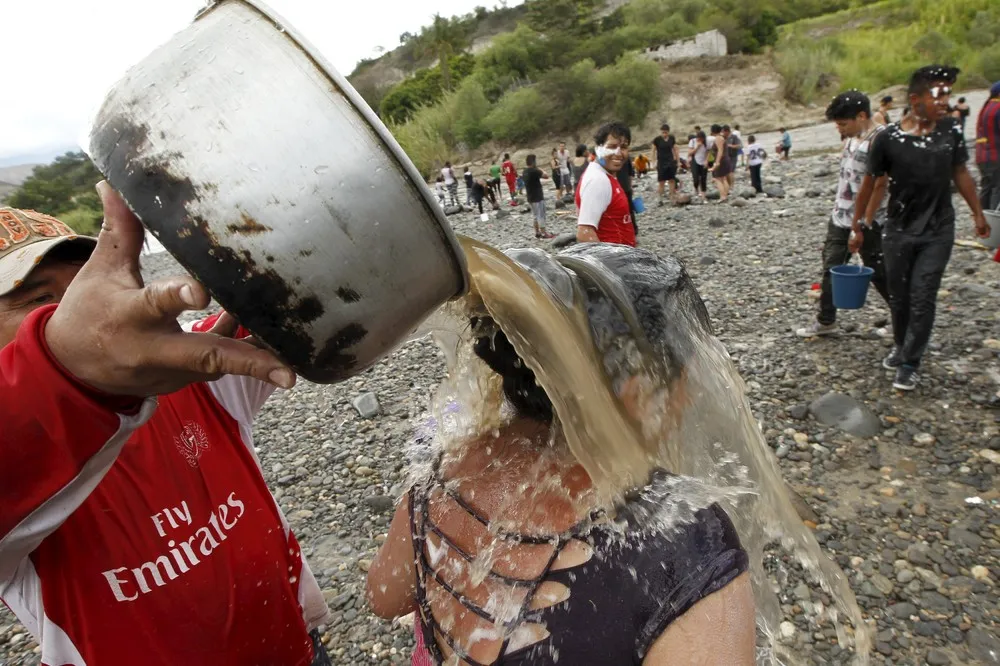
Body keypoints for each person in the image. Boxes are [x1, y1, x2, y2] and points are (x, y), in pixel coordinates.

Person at [366, 243, 755, 666]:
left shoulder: (448, 469)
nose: (691, 393)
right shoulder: (680, 540)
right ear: (638, 389)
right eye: (685, 375)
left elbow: (383, 598)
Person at [0, 192, 332, 665]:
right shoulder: (19, 482)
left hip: (296, 648)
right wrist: (65, 369)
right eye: (38, 301)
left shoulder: (184, 367)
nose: (80, 317)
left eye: (81, 293)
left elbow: (301, 297)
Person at [853, 65, 991, 391]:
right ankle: (901, 344)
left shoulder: (951, 131)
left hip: (938, 230)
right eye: (938, 94)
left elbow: (960, 173)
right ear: (916, 99)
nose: (945, 101)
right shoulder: (888, 139)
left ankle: (911, 362)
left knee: (923, 294)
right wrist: (860, 224)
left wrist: (977, 214)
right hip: (898, 229)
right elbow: (872, 184)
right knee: (899, 297)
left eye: (948, 94)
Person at [796, 91, 891, 339]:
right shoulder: (851, 138)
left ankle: (903, 317)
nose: (839, 128)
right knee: (831, 268)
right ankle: (826, 320)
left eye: (842, 123)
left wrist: (863, 222)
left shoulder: (880, 139)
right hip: (840, 216)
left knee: (878, 272)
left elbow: (880, 185)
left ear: (861, 116)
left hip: (870, 221)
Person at [575, 122, 637, 246]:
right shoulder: (598, 180)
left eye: (623, 147)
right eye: (612, 147)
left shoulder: (604, 175)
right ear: (598, 148)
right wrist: (605, 264)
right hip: (614, 262)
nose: (619, 153)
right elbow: (585, 233)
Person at [976, 81, 1000, 211]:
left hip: (982, 156)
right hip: (995, 156)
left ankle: (982, 219)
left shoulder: (986, 107)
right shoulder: (998, 108)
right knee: (998, 188)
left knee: (987, 188)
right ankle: (996, 219)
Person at [522, 154, 556, 239]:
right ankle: (544, 233)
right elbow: (546, 175)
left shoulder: (525, 171)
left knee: (535, 215)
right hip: (537, 196)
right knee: (541, 215)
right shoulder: (534, 171)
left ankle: (537, 232)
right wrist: (539, 168)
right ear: (533, 162)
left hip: (530, 196)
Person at [652, 124, 679, 204]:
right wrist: (653, 162)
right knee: (661, 181)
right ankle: (660, 198)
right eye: (663, 132)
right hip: (661, 162)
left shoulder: (672, 138)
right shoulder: (657, 140)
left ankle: (672, 197)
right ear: (661, 132)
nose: (664, 134)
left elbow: (675, 149)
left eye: (666, 132)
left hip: (670, 162)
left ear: (668, 132)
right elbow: (653, 151)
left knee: (672, 180)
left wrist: (678, 161)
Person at [709, 124, 732, 202]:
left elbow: (720, 150)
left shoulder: (718, 138)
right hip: (725, 159)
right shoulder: (721, 137)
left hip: (721, 160)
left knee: (718, 178)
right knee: (723, 178)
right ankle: (725, 194)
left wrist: (717, 162)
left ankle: (723, 196)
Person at [689, 131, 709, 201]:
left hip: (703, 161)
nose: (700, 140)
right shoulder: (693, 141)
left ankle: (703, 195)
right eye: (698, 138)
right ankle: (696, 188)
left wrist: (706, 160)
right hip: (695, 161)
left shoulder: (706, 142)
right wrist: (697, 147)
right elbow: (690, 153)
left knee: (703, 178)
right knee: (696, 178)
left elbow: (708, 152)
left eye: (701, 139)